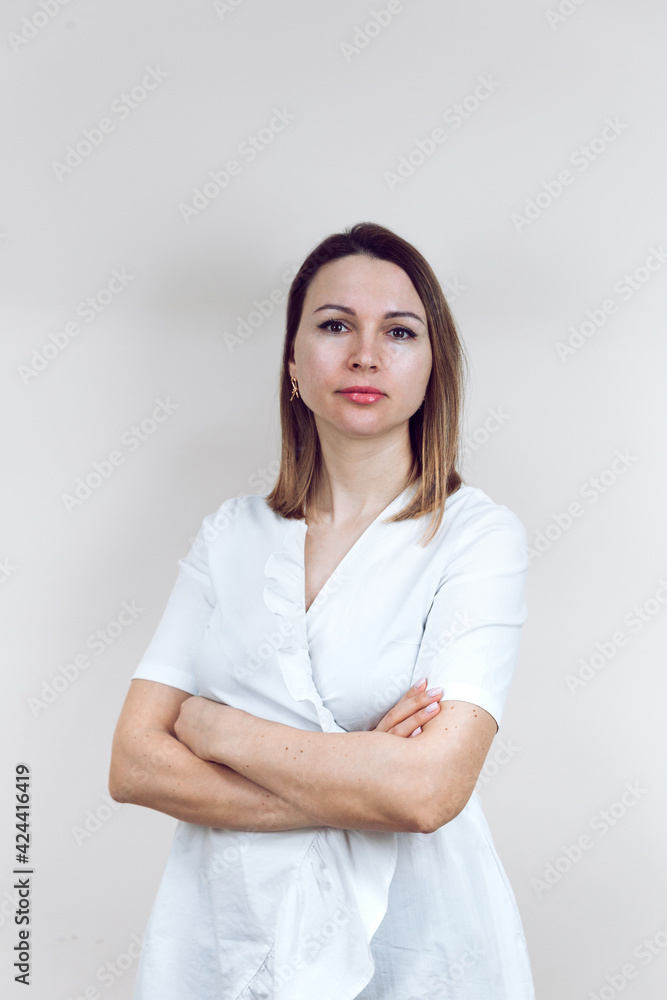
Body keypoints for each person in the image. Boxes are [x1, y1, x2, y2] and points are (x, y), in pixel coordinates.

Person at [109, 221, 535, 1000]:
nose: (365, 354)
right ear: (294, 366)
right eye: (335, 325)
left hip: (415, 947)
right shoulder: (229, 536)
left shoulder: (476, 539)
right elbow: (134, 763)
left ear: (431, 366)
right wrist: (359, 773)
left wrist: (216, 730)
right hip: (229, 937)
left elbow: (426, 793)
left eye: (398, 331)